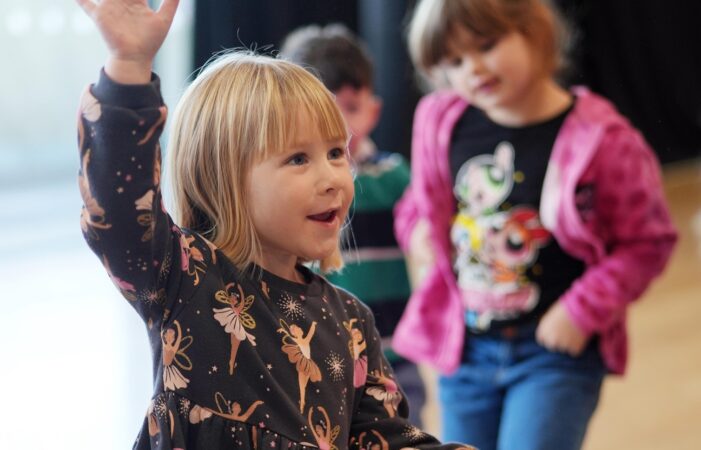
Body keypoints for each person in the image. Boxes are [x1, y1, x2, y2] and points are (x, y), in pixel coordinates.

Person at [74, 0, 477, 449]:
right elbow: (117, 208)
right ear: (222, 175)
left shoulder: (353, 322)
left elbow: (387, 441)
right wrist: (129, 66)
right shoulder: (186, 279)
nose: (332, 179)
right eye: (298, 159)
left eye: (337, 153)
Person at [391, 0, 678, 449]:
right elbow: (418, 203)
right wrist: (418, 231)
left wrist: (581, 310)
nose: (473, 69)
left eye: (486, 45)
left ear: (535, 31)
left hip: (555, 355)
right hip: (465, 351)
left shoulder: (603, 140)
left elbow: (649, 242)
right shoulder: (441, 122)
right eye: (454, 61)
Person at [280, 24, 426, 427]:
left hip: (393, 357)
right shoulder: (289, 189)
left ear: (373, 110)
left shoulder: (394, 177)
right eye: (322, 109)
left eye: (349, 107)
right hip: (315, 356)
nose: (338, 124)